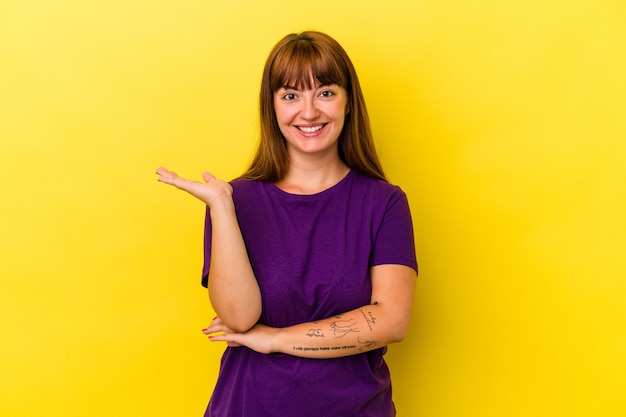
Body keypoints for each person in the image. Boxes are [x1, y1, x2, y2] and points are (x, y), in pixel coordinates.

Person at [156, 31, 417, 417]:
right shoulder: (235, 201)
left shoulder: (384, 203)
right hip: (250, 406)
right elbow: (239, 318)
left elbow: (391, 320)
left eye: (325, 92)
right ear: (272, 107)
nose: (309, 112)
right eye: (291, 95)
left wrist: (276, 339)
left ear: (349, 102)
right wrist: (222, 208)